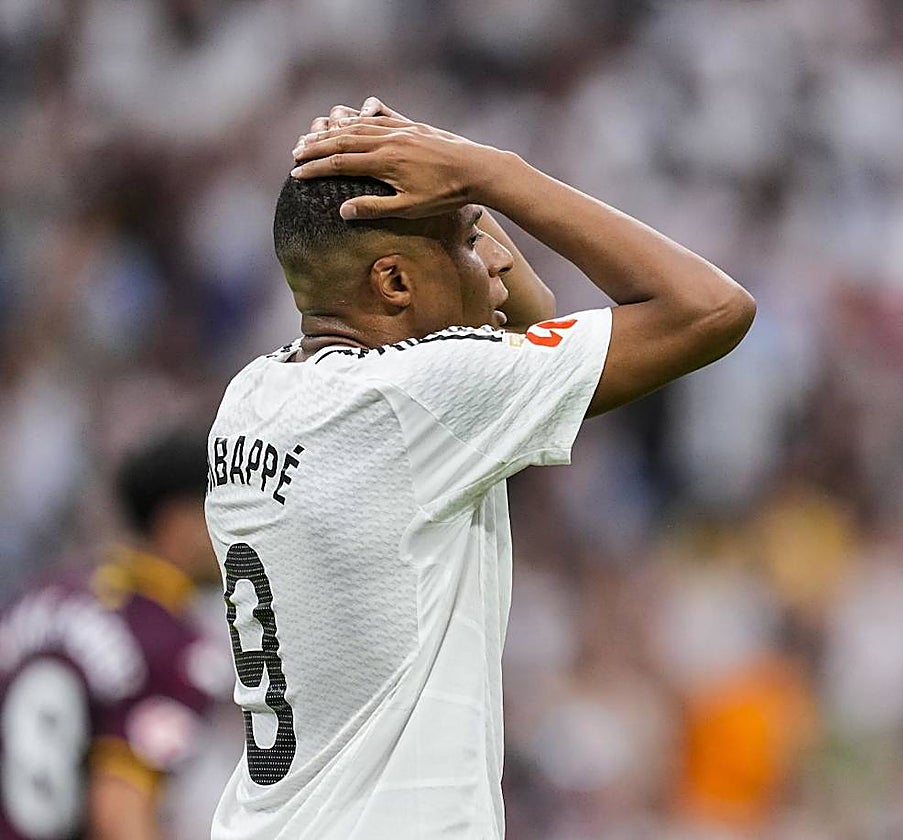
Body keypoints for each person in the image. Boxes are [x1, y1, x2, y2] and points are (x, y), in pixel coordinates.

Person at [203, 95, 755, 839]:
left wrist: (439, 167)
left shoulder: (253, 395)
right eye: (468, 237)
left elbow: (532, 317)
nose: (494, 259)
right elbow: (710, 309)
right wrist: (492, 170)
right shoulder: (424, 395)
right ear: (394, 284)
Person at [0, 429, 229, 840]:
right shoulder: (173, 645)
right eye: (222, 510)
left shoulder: (45, 593)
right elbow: (120, 812)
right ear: (179, 523)